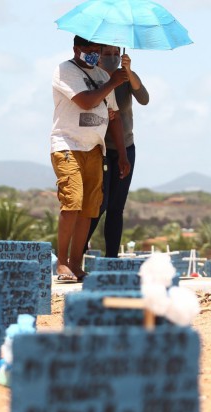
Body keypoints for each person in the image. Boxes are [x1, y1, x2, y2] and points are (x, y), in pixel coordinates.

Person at [50, 35, 129, 282]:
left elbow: (113, 116)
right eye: (89, 49)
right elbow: (85, 102)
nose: (94, 53)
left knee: (89, 208)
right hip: (67, 145)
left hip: (95, 148)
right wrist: (113, 83)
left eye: (97, 49)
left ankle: (77, 263)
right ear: (76, 49)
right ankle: (62, 263)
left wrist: (123, 154)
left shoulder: (103, 76)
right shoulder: (65, 71)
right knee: (72, 203)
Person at [85, 44, 148, 258]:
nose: (111, 57)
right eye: (107, 53)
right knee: (98, 204)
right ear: (98, 56)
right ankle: (80, 250)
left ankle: (111, 257)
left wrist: (128, 73)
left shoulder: (126, 77)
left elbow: (144, 99)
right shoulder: (93, 77)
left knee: (116, 207)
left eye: (115, 53)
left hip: (126, 147)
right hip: (100, 148)